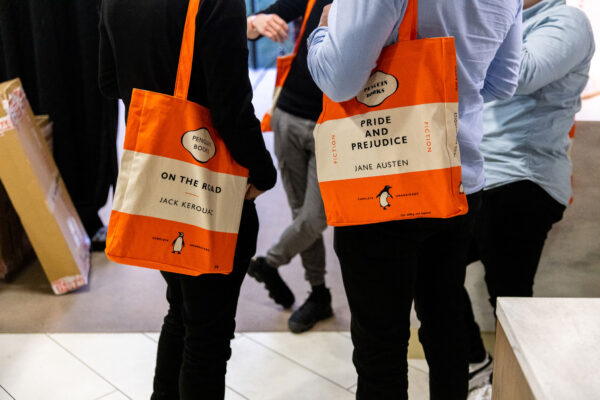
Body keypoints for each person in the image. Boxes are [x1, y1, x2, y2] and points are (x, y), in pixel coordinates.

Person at [307, 1, 522, 399]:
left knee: (381, 343)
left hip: (381, 184)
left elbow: (340, 81)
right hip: (457, 179)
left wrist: (319, 33)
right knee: (446, 325)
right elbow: (502, 83)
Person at [98, 0, 277, 399]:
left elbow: (109, 83)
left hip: (157, 182)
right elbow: (231, 108)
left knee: (180, 313)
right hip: (208, 189)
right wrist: (264, 170)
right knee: (208, 337)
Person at [463, 0, 595, 393]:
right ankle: (476, 362)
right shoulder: (507, 18)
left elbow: (520, 74)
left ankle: (507, 380)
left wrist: (473, 25)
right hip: (480, 175)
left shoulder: (566, 20)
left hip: (523, 178)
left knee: (509, 296)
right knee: (425, 263)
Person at [245, 0, 334, 334]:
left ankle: (269, 262)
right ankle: (318, 293)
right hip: (288, 116)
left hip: (335, 125)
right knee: (301, 214)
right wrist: (258, 21)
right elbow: (252, 26)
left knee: (314, 217)